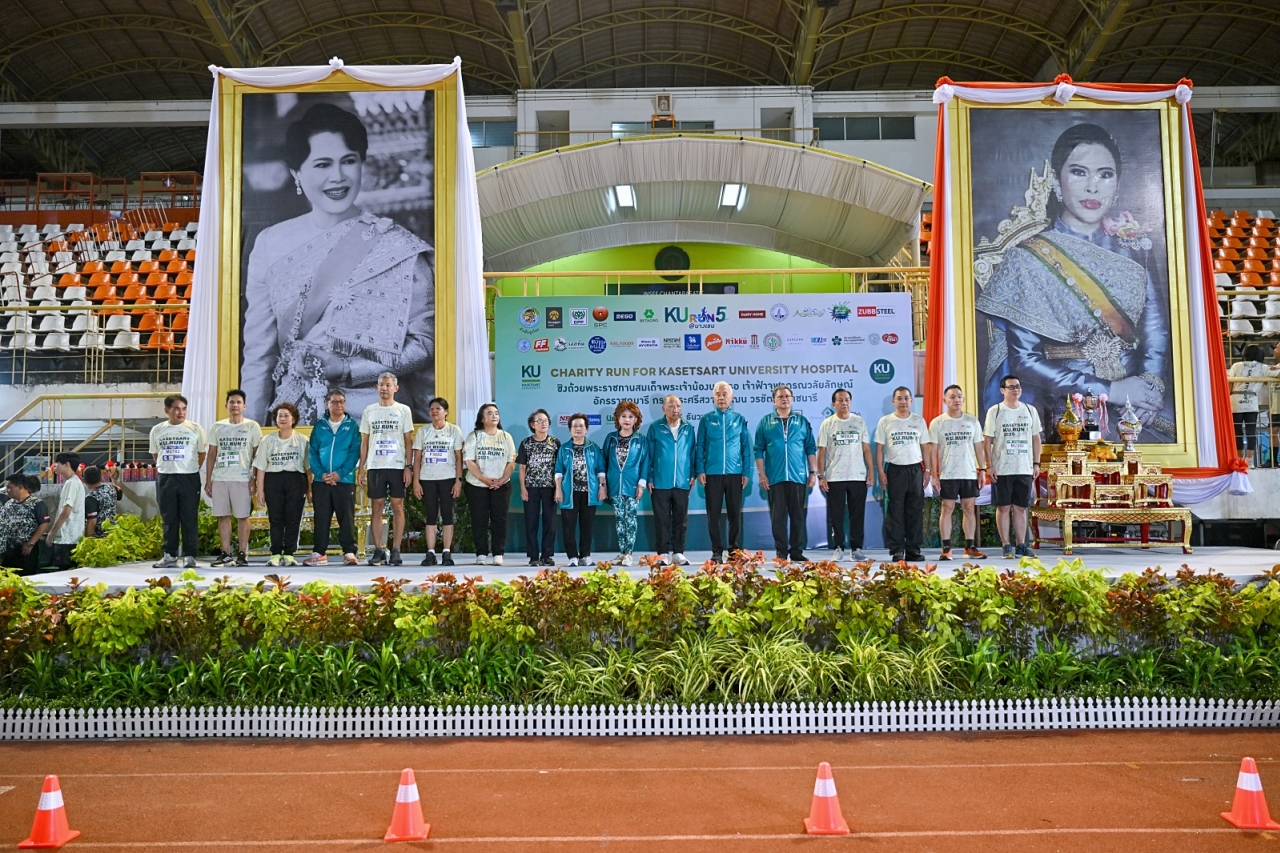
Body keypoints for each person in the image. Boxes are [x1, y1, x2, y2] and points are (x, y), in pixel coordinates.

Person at [976, 123, 1173, 442]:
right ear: (1056, 181)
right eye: (1079, 172)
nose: (1092, 187)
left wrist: (1148, 389)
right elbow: (1024, 360)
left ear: (1117, 186)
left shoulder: (1135, 250)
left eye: (1105, 175)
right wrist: (1111, 390)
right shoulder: (1027, 259)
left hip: (1137, 399)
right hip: (1061, 400)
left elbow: (1155, 330)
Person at [241, 102, 435, 424]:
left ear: (362, 164)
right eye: (322, 164)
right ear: (296, 173)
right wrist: (249, 431)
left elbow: (424, 346)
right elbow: (259, 356)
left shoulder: (398, 246)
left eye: (348, 161)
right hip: (296, 418)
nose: (338, 177)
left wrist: (348, 369)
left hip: (378, 418)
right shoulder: (270, 244)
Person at [754, 385, 818, 563]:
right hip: (775, 477)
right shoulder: (765, 422)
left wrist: (813, 472)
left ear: (792, 399)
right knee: (778, 518)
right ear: (774, 401)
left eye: (787, 396)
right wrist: (762, 474)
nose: (784, 399)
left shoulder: (802, 421)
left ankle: (796, 551)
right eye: (780, 396)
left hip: (798, 477)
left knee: (798, 517)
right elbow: (758, 449)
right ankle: (781, 552)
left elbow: (810, 448)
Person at [984, 374, 1044, 560]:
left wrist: (1036, 463)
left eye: (1018, 386)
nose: (1015, 389)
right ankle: (1006, 545)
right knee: (1003, 507)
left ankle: (1021, 545)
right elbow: (987, 440)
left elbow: (1036, 438)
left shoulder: (1030, 410)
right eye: (1011, 387)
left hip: (1024, 467)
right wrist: (989, 465)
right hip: (1002, 468)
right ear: (1002, 390)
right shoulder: (995, 411)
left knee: (1020, 508)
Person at [358, 372, 415, 567]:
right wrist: (361, 467)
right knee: (377, 506)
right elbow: (365, 442)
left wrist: (408, 466)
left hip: (397, 465)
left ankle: (396, 549)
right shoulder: (369, 410)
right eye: (381, 385)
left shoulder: (403, 410)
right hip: (376, 465)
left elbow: (408, 441)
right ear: (377, 387)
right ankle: (379, 550)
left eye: (388, 385)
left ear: (395, 388)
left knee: (398, 506)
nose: (384, 388)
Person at [929, 385, 989, 561]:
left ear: (963, 399)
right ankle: (946, 548)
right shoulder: (938, 422)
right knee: (947, 508)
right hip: (947, 473)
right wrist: (934, 475)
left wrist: (982, 470)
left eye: (959, 396)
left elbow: (979, 447)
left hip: (968, 472)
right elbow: (933, 451)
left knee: (969, 508)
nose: (956, 400)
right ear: (945, 400)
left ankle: (969, 547)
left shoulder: (972, 421)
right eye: (952, 397)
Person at [874, 386, 933, 563]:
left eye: (906, 398)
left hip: (915, 469)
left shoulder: (918, 420)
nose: (903, 401)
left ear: (911, 401)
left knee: (915, 511)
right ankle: (897, 550)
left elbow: (925, 447)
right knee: (895, 512)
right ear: (893, 401)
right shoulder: (885, 421)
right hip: (894, 469)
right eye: (899, 398)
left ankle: (913, 550)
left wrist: (927, 470)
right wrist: (881, 472)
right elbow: (879, 449)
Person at [205, 388, 262, 567]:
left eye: (238, 402)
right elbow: (211, 454)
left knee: (243, 516)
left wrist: (254, 478)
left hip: (242, 478)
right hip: (220, 478)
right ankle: (226, 554)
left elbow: (257, 455)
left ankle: (243, 553)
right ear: (226, 405)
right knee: (223, 516)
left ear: (244, 406)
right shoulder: (217, 427)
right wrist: (208, 480)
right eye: (232, 402)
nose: (235, 405)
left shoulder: (252, 426)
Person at [696, 381, 752, 563]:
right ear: (713, 397)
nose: (721, 397)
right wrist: (700, 469)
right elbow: (700, 446)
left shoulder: (739, 419)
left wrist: (745, 472)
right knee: (713, 515)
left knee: (735, 514)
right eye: (718, 394)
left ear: (731, 397)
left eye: (725, 394)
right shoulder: (706, 420)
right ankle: (716, 551)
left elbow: (745, 447)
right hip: (712, 474)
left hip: (735, 474)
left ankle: (734, 551)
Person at [305, 388, 362, 566]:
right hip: (321, 481)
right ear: (326, 404)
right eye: (334, 402)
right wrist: (321, 474)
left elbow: (354, 453)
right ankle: (319, 552)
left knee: (346, 517)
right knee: (321, 517)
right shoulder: (319, 426)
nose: (339, 405)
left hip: (344, 480)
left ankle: (349, 552)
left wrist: (340, 473)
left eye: (342, 401)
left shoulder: (352, 426)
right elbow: (312, 453)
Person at [149, 394, 207, 569]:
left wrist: (190, 468)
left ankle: (190, 556)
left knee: (189, 517)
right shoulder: (157, 430)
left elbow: (201, 453)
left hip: (189, 478)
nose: (181, 412)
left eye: (184, 409)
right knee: (168, 518)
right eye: (176, 408)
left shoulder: (195, 428)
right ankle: (169, 555)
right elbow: (155, 454)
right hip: (166, 477)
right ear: (167, 410)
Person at [817, 388, 875, 562]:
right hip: (835, 476)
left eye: (847, 400)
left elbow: (866, 449)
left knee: (857, 514)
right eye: (840, 400)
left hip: (857, 475)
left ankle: (856, 549)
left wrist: (871, 472)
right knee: (836, 514)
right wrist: (821, 476)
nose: (844, 403)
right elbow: (822, 451)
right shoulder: (828, 423)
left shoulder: (859, 422)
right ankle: (838, 548)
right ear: (833, 404)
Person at [253, 402, 311, 567]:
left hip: (296, 480)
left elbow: (308, 469)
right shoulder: (267, 440)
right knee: (276, 518)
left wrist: (310, 489)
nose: (283, 419)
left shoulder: (302, 440)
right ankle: (276, 553)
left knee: (293, 517)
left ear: (293, 419)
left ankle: (290, 553)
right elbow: (261, 468)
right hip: (273, 480)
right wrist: (260, 491)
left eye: (286, 416)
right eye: (279, 416)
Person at [413, 397, 464, 567]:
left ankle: (447, 552)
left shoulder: (454, 430)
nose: (434, 411)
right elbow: (417, 458)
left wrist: (458, 480)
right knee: (431, 515)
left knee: (447, 514)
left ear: (446, 412)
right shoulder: (423, 431)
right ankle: (431, 552)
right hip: (427, 478)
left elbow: (459, 458)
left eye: (438, 408)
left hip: (448, 477)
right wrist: (416, 481)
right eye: (432, 409)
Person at [463, 403, 517, 566]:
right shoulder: (474, 436)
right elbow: (469, 461)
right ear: (481, 418)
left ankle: (498, 553)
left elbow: (511, 461)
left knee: (499, 520)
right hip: (477, 485)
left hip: (501, 485)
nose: (494, 416)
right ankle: (481, 553)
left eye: (496, 413)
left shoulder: (506, 436)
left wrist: (503, 479)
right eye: (489, 413)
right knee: (479, 520)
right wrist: (485, 479)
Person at [647, 395, 695, 567]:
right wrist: (650, 477)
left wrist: (693, 474)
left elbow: (692, 453)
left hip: (682, 481)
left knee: (681, 519)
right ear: (663, 409)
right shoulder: (655, 428)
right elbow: (649, 455)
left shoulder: (688, 428)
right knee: (662, 519)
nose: (675, 410)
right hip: (660, 481)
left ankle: (678, 553)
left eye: (678, 406)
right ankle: (662, 553)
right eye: (671, 406)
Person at [554, 413, 607, 568]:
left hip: (589, 493)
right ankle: (572, 557)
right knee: (568, 526)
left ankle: (585, 556)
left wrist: (602, 487)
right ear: (570, 429)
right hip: (569, 493)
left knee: (587, 526)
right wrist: (558, 489)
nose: (578, 429)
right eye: (574, 426)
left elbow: (600, 469)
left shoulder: (593, 447)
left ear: (586, 429)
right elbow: (559, 470)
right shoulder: (564, 448)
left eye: (581, 426)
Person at [603, 401, 649, 567]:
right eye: (623, 416)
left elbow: (645, 463)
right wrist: (604, 485)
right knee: (619, 520)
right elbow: (604, 462)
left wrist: (641, 484)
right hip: (615, 485)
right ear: (618, 418)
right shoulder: (610, 438)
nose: (627, 420)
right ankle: (622, 553)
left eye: (631, 416)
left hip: (633, 485)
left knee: (630, 519)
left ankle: (629, 553)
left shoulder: (641, 440)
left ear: (636, 419)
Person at [516, 408, 559, 567]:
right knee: (531, 521)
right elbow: (522, 468)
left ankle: (547, 555)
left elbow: (559, 468)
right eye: (539, 421)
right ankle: (533, 556)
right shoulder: (526, 443)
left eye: (545, 421)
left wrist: (558, 488)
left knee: (550, 522)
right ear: (532, 425)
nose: (543, 423)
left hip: (550, 487)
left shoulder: (555, 443)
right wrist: (523, 488)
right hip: (531, 487)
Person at [1229, 345, 1277, 460]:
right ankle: (1249, 460)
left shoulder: (1236, 365)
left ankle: (1239, 459)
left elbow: (1229, 385)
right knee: (1251, 431)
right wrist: (1275, 368)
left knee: (1237, 431)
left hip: (1235, 401)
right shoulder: (1263, 367)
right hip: (1251, 401)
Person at [0, 474, 49, 574]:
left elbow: (44, 524)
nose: (7, 490)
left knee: (26, 576)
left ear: (20, 487)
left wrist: (30, 543)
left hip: (26, 550)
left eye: (10, 488)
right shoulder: (9, 504)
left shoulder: (37, 504)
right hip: (9, 549)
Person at [43, 453, 85, 570]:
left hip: (66, 539)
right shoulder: (74, 482)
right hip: (73, 537)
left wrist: (51, 533)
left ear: (66, 464)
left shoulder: (71, 483)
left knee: (65, 573)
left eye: (56, 463)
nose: (54, 466)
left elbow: (66, 512)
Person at [82, 466, 122, 539]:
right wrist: (114, 479)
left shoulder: (90, 498)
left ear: (84, 480)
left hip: (99, 539)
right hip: (113, 535)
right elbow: (120, 492)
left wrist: (87, 541)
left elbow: (92, 523)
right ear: (101, 477)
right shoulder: (111, 489)